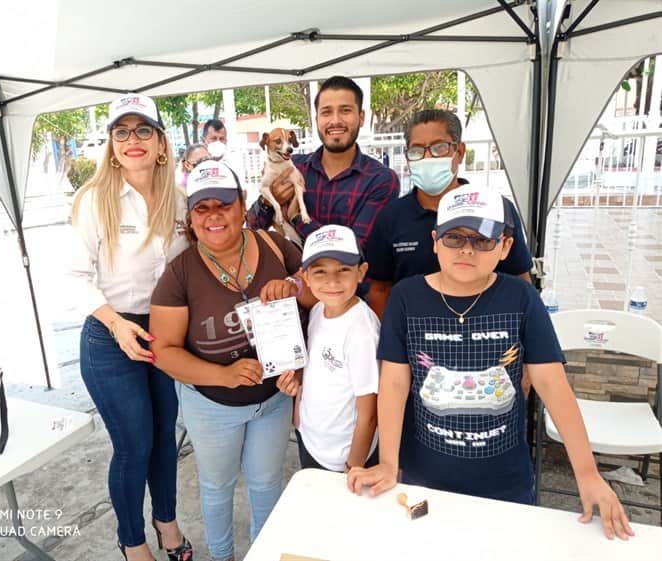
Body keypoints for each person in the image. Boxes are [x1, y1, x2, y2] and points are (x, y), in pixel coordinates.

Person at [347, 185, 634, 541]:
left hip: (505, 483)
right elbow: (393, 383)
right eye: (454, 237)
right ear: (435, 241)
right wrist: (389, 462)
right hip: (424, 477)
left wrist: (588, 475)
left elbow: (553, 386)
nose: (467, 249)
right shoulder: (406, 297)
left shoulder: (523, 299)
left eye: (482, 240)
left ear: (505, 247)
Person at [150, 159, 316, 561]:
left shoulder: (276, 245)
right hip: (212, 406)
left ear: (242, 205)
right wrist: (222, 375)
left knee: (265, 484)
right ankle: (222, 557)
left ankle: (265, 552)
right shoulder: (180, 272)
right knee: (217, 487)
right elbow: (164, 351)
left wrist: (293, 286)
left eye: (223, 205)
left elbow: (319, 289)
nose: (214, 217)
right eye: (202, 208)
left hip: (273, 399)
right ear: (190, 217)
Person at [68, 93, 192, 561]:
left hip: (166, 333)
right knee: (134, 443)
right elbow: (72, 277)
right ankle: (132, 541)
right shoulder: (94, 200)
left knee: (165, 436)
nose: (132, 139)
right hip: (110, 335)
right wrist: (117, 325)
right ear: (111, 145)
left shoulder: (180, 200)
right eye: (122, 131)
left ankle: (168, 523)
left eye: (143, 130)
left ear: (161, 142)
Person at [365, 110, 532, 320]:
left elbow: (521, 282)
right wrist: (392, 339)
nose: (427, 158)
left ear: (459, 152)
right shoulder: (391, 217)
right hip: (415, 338)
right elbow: (380, 289)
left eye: (439, 148)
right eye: (417, 151)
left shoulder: (497, 209)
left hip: (486, 335)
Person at [247, 75, 400, 252]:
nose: (335, 121)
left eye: (345, 110)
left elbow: (355, 249)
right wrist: (267, 200)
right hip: (291, 277)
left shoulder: (380, 180)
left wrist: (298, 218)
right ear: (317, 119)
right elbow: (252, 228)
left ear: (362, 117)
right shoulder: (293, 167)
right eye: (326, 112)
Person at [296, 225, 380, 472]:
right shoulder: (317, 310)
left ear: (361, 272)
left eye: (343, 270)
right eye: (320, 271)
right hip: (312, 441)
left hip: (344, 455)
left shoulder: (362, 330)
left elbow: (369, 413)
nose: (332, 281)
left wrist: (354, 466)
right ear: (305, 278)